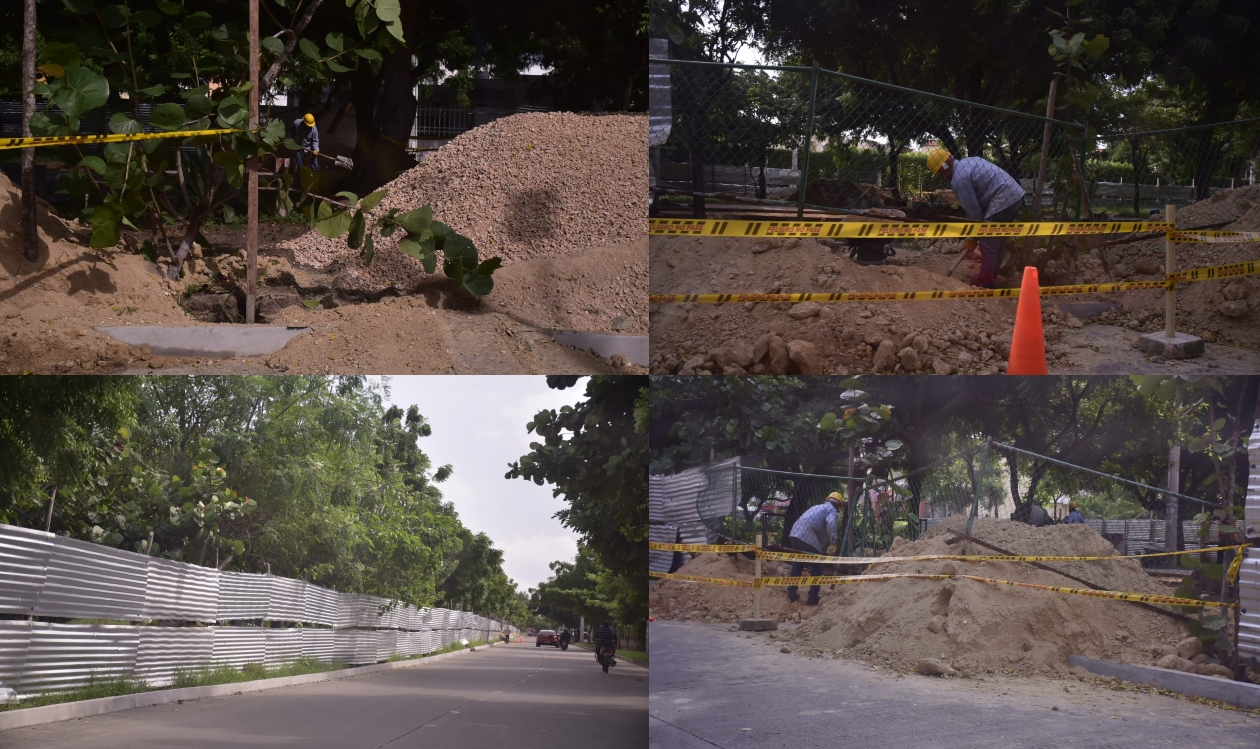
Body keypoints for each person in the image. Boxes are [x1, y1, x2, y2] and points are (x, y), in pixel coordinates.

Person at [927, 147, 1027, 288]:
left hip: (1004, 197)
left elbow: (973, 213)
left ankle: (985, 281)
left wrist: (972, 237)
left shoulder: (958, 179)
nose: (941, 177)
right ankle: (991, 276)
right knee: (997, 239)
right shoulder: (968, 162)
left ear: (945, 166)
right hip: (1015, 195)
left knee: (988, 240)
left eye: (939, 173)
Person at [785, 492, 844, 606]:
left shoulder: (817, 507)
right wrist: (833, 542)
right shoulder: (832, 510)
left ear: (827, 500)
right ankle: (813, 597)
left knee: (798, 563)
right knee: (817, 565)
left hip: (795, 534)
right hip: (808, 538)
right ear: (838, 506)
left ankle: (791, 594)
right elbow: (831, 523)